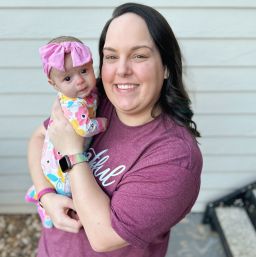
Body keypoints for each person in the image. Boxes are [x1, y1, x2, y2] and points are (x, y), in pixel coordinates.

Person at [27, 3, 203, 257]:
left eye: (139, 55)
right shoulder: (93, 99)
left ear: (165, 66)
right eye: (110, 56)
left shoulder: (175, 157)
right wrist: (45, 197)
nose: (121, 70)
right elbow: (40, 137)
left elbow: (103, 236)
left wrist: (73, 152)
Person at [25, 36, 107, 228]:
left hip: (57, 153)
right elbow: (84, 128)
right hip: (58, 162)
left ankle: (37, 192)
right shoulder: (73, 104)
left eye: (84, 71)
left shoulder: (88, 93)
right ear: (53, 84)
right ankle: (43, 204)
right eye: (68, 78)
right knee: (65, 192)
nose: (80, 81)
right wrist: (103, 123)